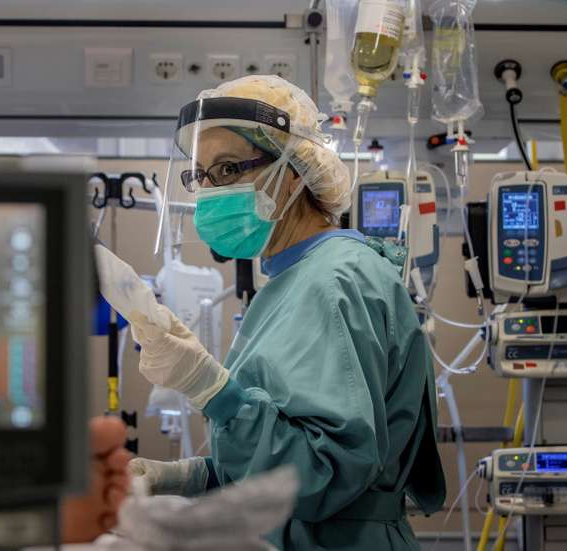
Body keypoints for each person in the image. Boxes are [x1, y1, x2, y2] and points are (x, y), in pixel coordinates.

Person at [126, 75, 446, 550]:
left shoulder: (334, 281)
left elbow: (322, 478)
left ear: (292, 172)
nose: (209, 191)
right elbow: (283, 452)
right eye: (200, 175)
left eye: (228, 169)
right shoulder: (297, 280)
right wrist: (188, 477)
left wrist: (209, 388)